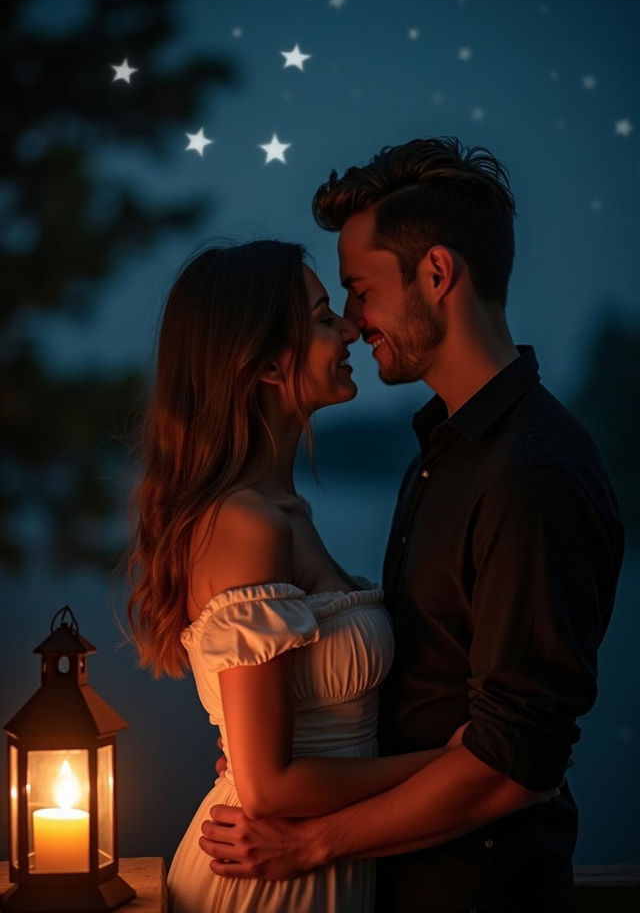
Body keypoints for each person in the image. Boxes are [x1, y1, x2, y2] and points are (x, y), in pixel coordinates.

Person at [198, 139, 624, 912]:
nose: (354, 324)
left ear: (436, 273)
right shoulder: (443, 449)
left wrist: (311, 839)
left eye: (359, 291)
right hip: (392, 881)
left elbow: (515, 762)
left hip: (476, 892)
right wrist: (277, 744)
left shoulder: (531, 475)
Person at [126, 240, 549, 913]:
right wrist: (462, 763)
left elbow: (278, 758)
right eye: (326, 316)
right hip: (268, 880)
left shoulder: (285, 511)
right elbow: (268, 790)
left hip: (320, 863)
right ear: (266, 362)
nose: (351, 326)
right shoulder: (248, 523)